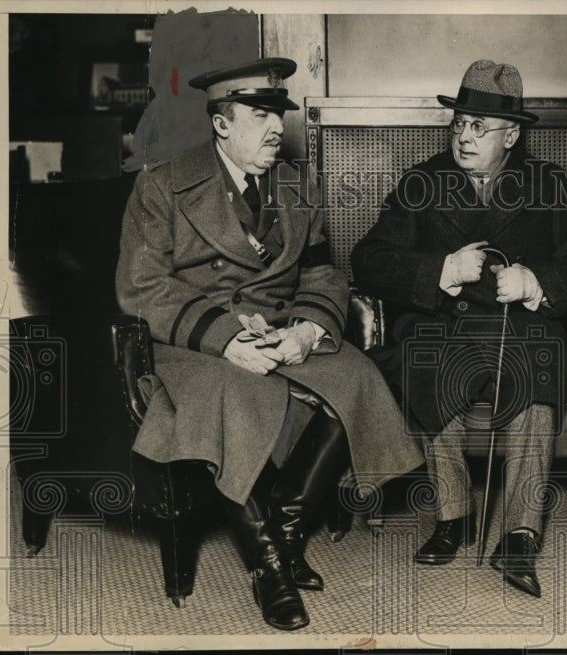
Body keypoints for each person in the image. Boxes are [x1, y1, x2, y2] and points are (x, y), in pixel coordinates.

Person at [116, 57, 424, 630]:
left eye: (278, 113)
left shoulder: (294, 184)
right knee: (233, 393)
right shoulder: (162, 183)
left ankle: (282, 530)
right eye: (260, 115)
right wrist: (227, 339)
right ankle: (269, 570)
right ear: (222, 124)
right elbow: (142, 287)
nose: (277, 127)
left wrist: (307, 330)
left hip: (280, 328)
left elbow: (321, 273)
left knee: (357, 376)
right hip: (195, 343)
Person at [351, 59, 567, 598]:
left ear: (511, 134)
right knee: (425, 356)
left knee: (541, 362)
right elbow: (368, 259)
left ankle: (519, 534)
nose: (463, 137)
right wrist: (440, 270)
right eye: (458, 124)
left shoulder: (551, 185)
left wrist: (536, 280)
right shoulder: (423, 182)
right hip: (447, 324)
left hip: (522, 327)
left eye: (478, 127)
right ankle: (453, 518)